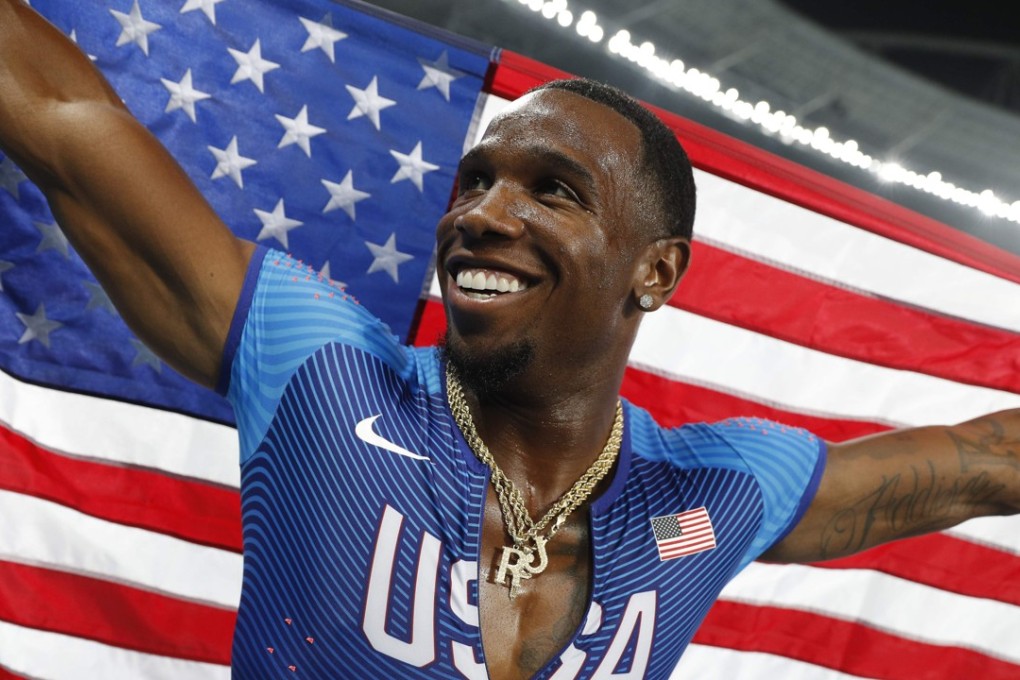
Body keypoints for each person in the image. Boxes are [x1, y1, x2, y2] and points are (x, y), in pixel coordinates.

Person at [2, 1, 1018, 678]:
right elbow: (63, 117)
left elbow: (987, 463)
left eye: (554, 191)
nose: (483, 213)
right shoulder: (323, 373)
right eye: (476, 181)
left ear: (654, 271)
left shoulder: (711, 494)